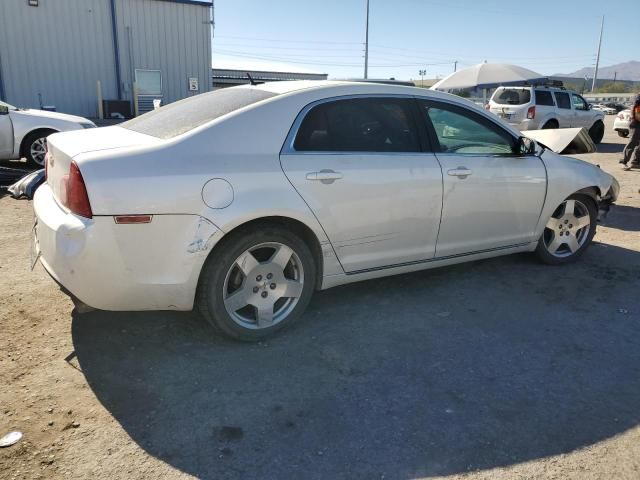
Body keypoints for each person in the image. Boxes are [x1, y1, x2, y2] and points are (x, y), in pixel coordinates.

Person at [622, 93, 640, 170]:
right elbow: (635, 108)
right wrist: (634, 118)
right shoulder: (638, 97)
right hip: (636, 122)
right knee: (632, 142)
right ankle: (623, 162)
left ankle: (635, 162)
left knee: (639, 144)